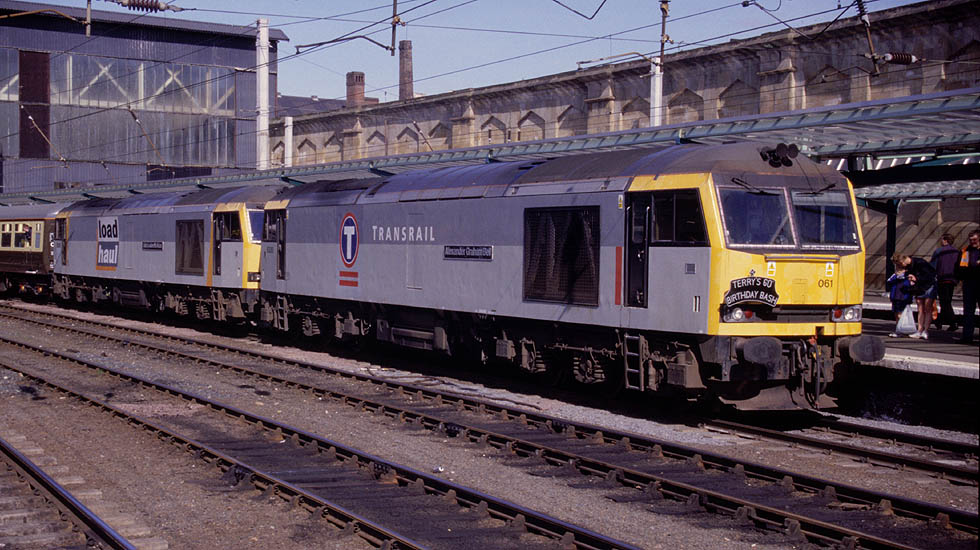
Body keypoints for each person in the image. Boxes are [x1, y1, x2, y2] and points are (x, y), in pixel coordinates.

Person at [892, 253, 937, 339]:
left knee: (927, 308)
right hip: (920, 287)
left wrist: (916, 278)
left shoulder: (920, 263)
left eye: (900, 264)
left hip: (929, 285)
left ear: (903, 261)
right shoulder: (909, 266)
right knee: (920, 308)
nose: (901, 266)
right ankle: (919, 330)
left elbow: (929, 275)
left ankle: (925, 330)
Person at [931, 233, 960, 331]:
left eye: (942, 240)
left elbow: (933, 266)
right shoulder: (957, 252)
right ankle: (939, 321)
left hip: (942, 279)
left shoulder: (939, 251)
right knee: (946, 301)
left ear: (945, 241)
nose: (941, 241)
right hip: (952, 280)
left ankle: (953, 322)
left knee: (945, 302)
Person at [956, 229, 980, 345]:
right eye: (970, 240)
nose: (972, 242)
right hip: (969, 283)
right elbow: (958, 267)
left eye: (974, 239)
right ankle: (967, 337)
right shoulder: (965, 251)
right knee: (968, 312)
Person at [885, 261, 913, 337]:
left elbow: (908, 285)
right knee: (896, 313)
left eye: (900, 269)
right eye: (897, 269)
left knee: (901, 313)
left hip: (903, 297)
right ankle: (898, 329)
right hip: (895, 297)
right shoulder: (894, 276)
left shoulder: (907, 277)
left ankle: (901, 330)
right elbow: (889, 281)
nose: (898, 271)